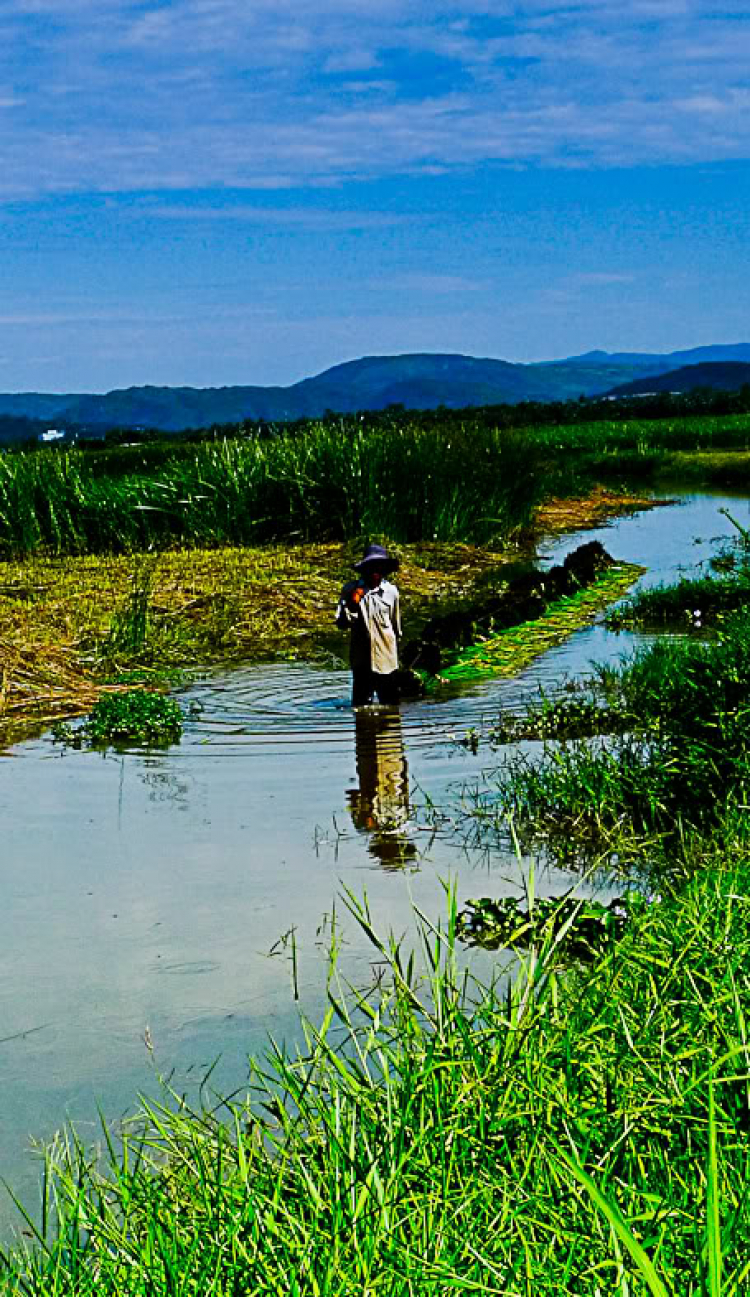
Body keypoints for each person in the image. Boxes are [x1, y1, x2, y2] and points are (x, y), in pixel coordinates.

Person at [336, 542, 401, 706]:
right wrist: (352, 604)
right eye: (371, 567)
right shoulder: (350, 590)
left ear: (384, 570)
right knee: (360, 705)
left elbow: (395, 626)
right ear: (364, 568)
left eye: (379, 568)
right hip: (361, 660)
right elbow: (342, 623)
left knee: (391, 705)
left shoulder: (391, 592)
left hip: (386, 659)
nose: (374, 572)